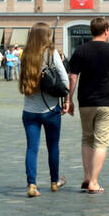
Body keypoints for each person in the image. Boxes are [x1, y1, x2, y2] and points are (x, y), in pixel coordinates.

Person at [65, 17, 109, 194]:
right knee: (101, 141)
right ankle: (93, 181)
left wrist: (69, 100)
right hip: (106, 102)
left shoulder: (81, 50)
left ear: (92, 31)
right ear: (106, 31)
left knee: (87, 138)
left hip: (85, 102)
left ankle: (87, 177)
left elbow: (72, 77)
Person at [18, 23, 69, 198]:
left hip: (30, 110)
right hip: (51, 109)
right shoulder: (51, 53)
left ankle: (31, 185)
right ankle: (54, 182)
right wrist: (66, 100)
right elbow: (64, 79)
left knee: (32, 148)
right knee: (53, 146)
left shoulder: (25, 55)